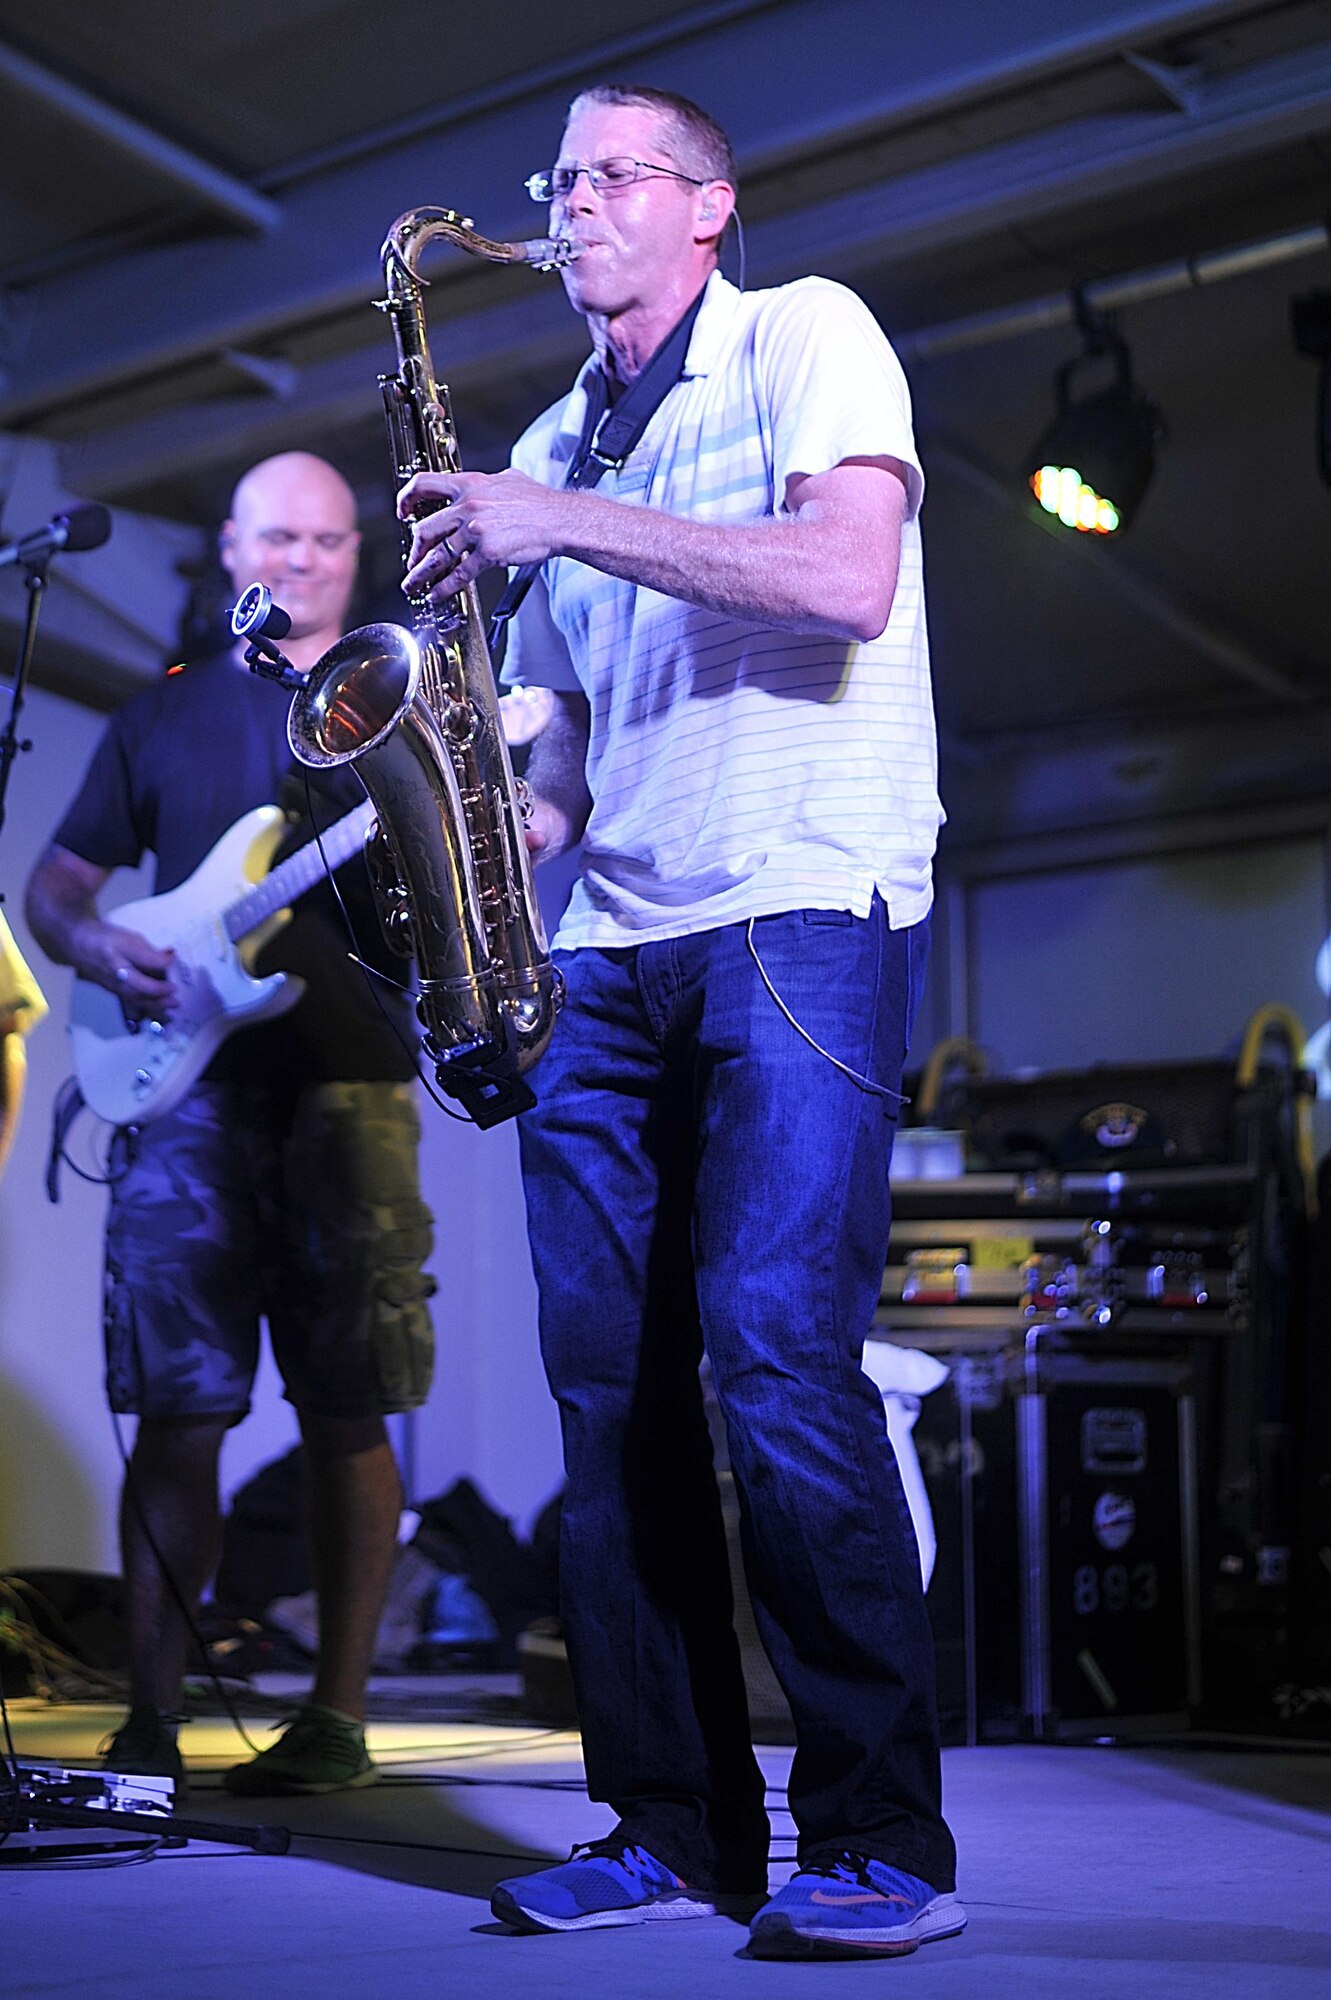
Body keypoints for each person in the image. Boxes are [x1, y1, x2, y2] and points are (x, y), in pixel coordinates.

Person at [395, 84, 962, 1961]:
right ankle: (665, 1823)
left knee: (779, 1356)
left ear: (709, 205)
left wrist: (555, 517)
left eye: (610, 176)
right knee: (603, 1396)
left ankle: (882, 1839)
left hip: (799, 893)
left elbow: (842, 580)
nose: (568, 207)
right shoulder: (560, 428)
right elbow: (557, 764)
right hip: (614, 948)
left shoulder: (806, 333)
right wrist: (475, 878)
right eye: (558, 181)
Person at [24, 452, 436, 1798]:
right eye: (278, 537)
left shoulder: (393, 713)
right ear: (229, 545)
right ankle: (147, 1716)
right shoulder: (166, 713)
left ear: (355, 555)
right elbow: (57, 888)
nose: (301, 561)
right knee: (177, 1415)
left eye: (325, 542)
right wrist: (102, 946)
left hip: (352, 1083)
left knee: (351, 1405)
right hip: (181, 1091)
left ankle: (338, 1717)